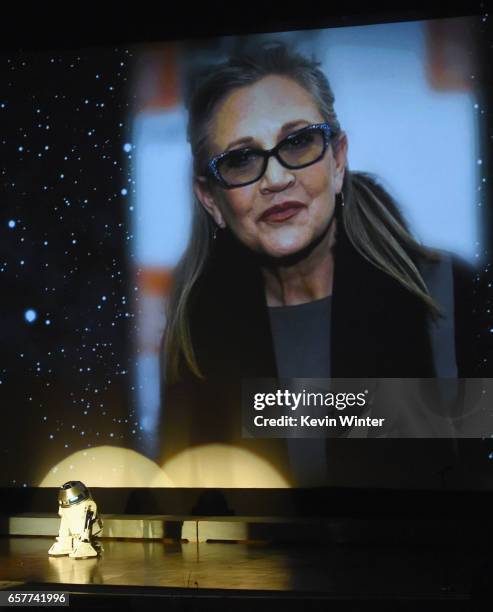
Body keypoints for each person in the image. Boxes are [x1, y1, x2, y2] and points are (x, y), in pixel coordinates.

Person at [157, 42, 477, 489]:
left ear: (338, 159)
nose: (276, 179)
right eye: (241, 158)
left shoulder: (449, 297)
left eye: (298, 141)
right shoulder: (193, 336)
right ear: (211, 199)